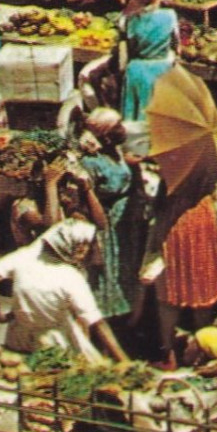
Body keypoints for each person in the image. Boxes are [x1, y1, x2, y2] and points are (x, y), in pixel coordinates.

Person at [143, 112, 217, 368]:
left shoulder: (175, 157)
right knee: (202, 287)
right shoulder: (210, 152)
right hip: (203, 217)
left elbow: (164, 191)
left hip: (178, 219)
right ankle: (205, 351)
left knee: (170, 291)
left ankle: (168, 353)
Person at [0, 219, 128, 362]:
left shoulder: (23, 257)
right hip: (56, 343)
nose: (86, 251)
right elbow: (97, 323)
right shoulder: (70, 277)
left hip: (18, 338)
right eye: (82, 246)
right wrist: (124, 361)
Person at [75, 109, 143, 323]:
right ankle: (105, 323)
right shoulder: (91, 162)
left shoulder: (117, 150)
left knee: (126, 268)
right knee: (105, 274)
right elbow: (85, 202)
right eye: (117, 127)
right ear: (105, 134)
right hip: (106, 223)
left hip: (125, 221)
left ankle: (125, 318)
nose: (123, 130)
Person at [119, 0, 180, 122]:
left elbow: (129, 48)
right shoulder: (170, 16)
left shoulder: (131, 19)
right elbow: (177, 47)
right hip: (161, 71)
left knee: (133, 118)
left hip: (137, 71)